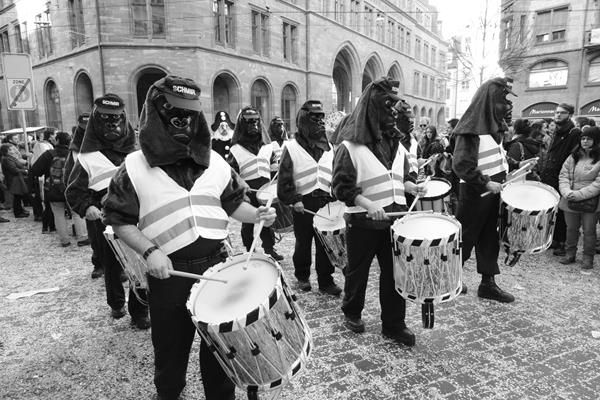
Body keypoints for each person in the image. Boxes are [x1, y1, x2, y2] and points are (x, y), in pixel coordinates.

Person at [102, 75, 276, 400]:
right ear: (156, 113)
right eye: (175, 112)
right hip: (169, 275)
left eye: (189, 112)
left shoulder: (217, 162)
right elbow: (118, 220)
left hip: (216, 269)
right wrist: (149, 251)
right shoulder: (134, 167)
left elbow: (233, 203)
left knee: (223, 350)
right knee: (171, 351)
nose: (183, 120)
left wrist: (257, 215)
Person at [332, 77, 425, 346]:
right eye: (389, 105)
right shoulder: (350, 146)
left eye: (396, 106)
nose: (394, 111)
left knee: (395, 273)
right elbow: (340, 187)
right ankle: (351, 312)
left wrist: (411, 186)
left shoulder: (398, 143)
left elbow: (401, 176)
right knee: (357, 272)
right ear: (374, 107)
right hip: (362, 221)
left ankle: (394, 324)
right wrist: (368, 204)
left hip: (395, 222)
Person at [66, 93, 150, 328]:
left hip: (137, 220)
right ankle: (116, 303)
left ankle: (140, 311)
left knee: (140, 264)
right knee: (112, 267)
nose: (112, 124)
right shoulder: (87, 158)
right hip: (105, 222)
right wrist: (87, 206)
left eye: (116, 118)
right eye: (106, 119)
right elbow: (73, 191)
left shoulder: (137, 153)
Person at [452, 77, 530, 303]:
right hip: (476, 192)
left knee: (489, 238)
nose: (508, 105)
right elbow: (461, 165)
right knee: (466, 237)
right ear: (490, 101)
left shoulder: (493, 129)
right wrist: (485, 182)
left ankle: (488, 283)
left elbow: (495, 157)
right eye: (504, 99)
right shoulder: (471, 129)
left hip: (494, 192)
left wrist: (517, 166)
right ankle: (450, 278)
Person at [277, 100, 342, 295]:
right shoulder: (291, 147)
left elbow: (335, 173)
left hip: (326, 202)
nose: (320, 122)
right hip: (303, 203)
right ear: (304, 121)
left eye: (322, 118)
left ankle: (326, 281)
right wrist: (294, 199)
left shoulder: (329, 146)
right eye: (315, 118)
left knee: (325, 244)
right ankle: (302, 276)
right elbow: (284, 178)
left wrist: (336, 194)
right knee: (303, 243)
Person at [227, 106, 284, 261]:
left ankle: (269, 248)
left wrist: (278, 170)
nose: (253, 125)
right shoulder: (235, 149)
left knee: (266, 220)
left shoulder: (268, 147)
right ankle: (249, 249)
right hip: (247, 191)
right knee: (248, 222)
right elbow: (231, 174)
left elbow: (273, 166)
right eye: (249, 122)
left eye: (256, 121)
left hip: (265, 190)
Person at [30, 131, 84, 247]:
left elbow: (35, 170)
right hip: (72, 188)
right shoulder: (74, 154)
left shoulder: (49, 154)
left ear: (57, 141)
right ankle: (82, 238)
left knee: (58, 215)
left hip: (54, 189)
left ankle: (65, 240)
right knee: (76, 213)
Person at [558, 127, 600, 269]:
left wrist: (578, 195)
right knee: (571, 229)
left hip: (591, 201)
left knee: (589, 231)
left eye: (589, 138)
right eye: (583, 138)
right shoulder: (573, 157)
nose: (585, 141)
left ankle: (588, 257)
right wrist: (566, 192)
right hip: (570, 198)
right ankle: (570, 254)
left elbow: (598, 184)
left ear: (596, 140)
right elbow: (563, 175)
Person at [540, 103, 578, 256]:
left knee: (563, 211)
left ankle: (563, 242)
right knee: (553, 209)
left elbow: (574, 157)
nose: (558, 115)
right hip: (550, 176)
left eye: (562, 113)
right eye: (556, 112)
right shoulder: (556, 131)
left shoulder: (574, 132)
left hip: (563, 177)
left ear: (570, 115)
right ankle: (554, 238)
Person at [1, 142, 30, 218]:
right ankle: (18, 212)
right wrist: (25, 171)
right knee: (17, 196)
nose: (13, 150)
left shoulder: (10, 157)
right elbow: (14, 169)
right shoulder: (6, 159)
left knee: (19, 196)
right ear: (6, 151)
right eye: (10, 149)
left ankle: (20, 210)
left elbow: (18, 165)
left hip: (17, 178)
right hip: (13, 179)